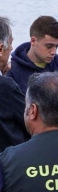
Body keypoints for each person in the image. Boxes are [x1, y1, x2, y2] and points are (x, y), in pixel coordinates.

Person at [5, 16, 58, 138]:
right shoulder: (12, 71)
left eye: (57, 46)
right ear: (33, 41)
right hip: (29, 146)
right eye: (49, 46)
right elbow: (11, 119)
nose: (53, 51)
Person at [0, 16, 28, 151]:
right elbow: (31, 122)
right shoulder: (6, 88)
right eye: (10, 43)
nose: (11, 48)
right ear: (1, 49)